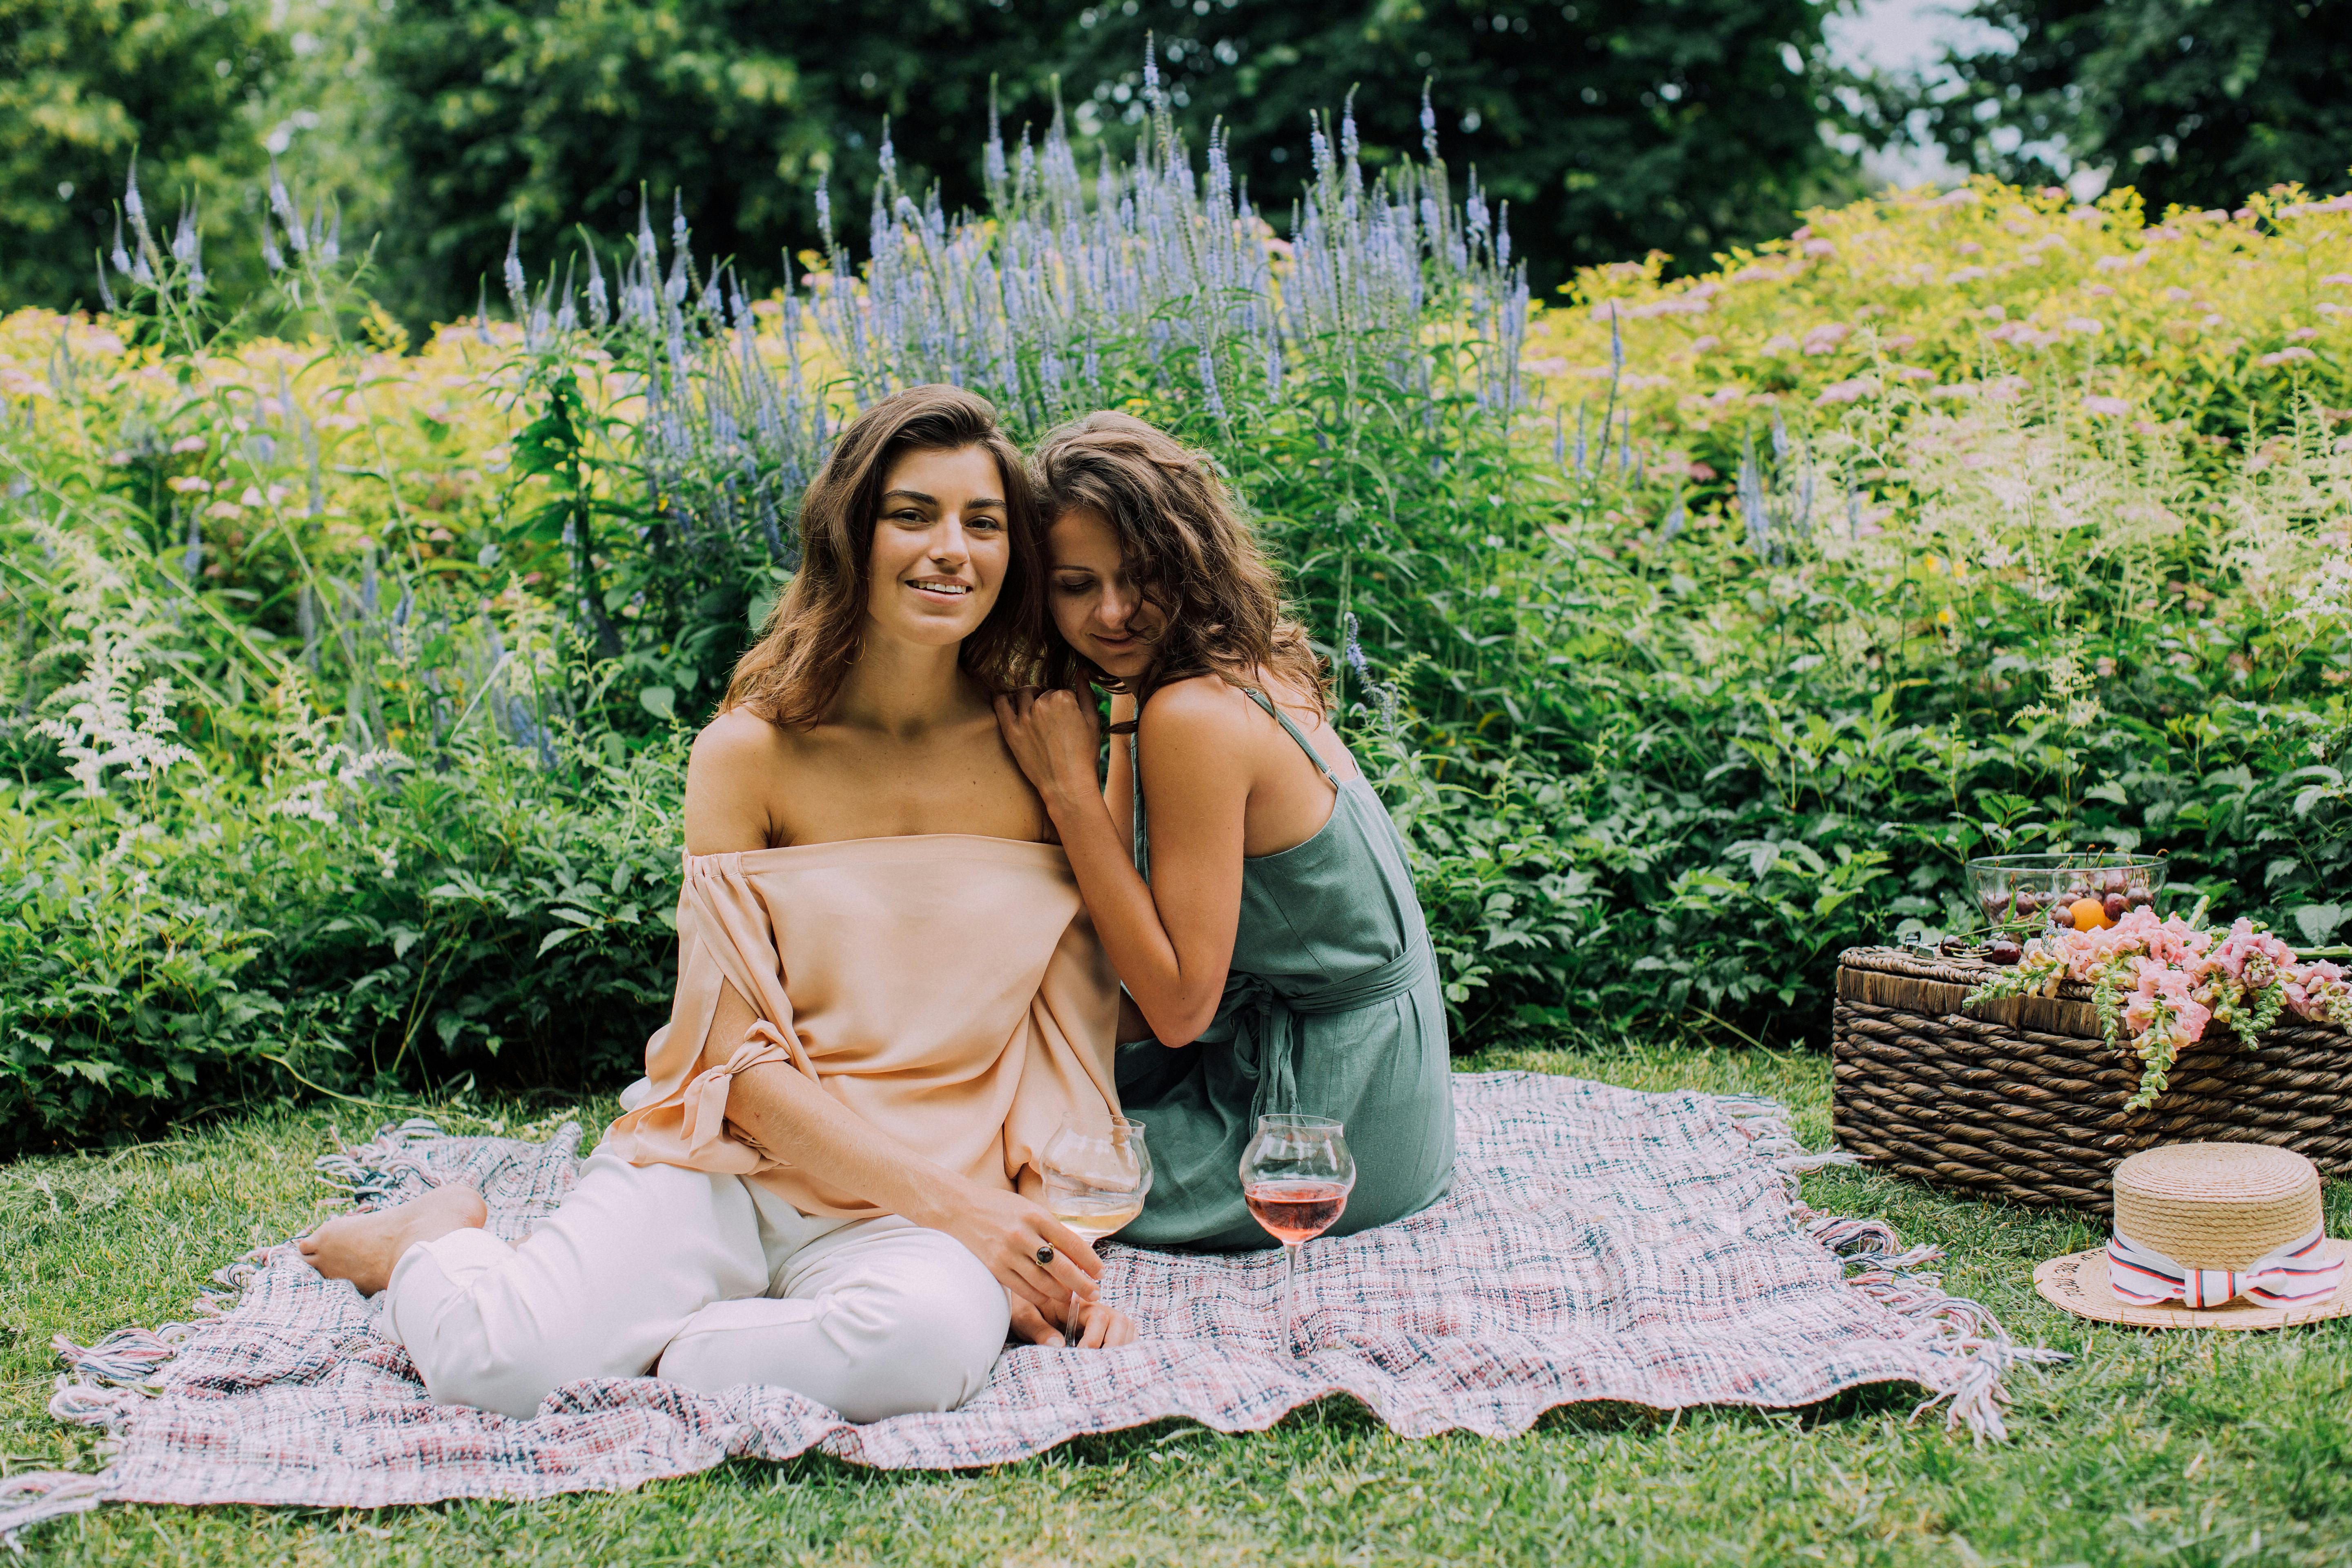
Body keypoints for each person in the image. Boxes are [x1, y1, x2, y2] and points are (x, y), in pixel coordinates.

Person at [302, 385, 1135, 1425]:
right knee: (497, 1371)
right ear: (850, 533)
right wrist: (960, 1209)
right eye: (911, 515)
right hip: (726, 1174)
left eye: (984, 522)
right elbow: (727, 1063)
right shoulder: (751, 753)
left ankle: (660, 1343)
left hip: (914, 1218)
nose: (951, 550)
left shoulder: (1043, 746)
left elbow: (1068, 1028)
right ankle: (432, 1245)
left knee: (922, 1352)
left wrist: (1045, 1236)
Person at [993, 412, 1457, 1252]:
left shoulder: (1194, 716)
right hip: (1390, 1074)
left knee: (1008, 1164)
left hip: (1325, 1124)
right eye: (1075, 584)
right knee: (1032, 1091)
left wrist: (1067, 792)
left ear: (1188, 558)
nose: (1112, 612)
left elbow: (1175, 1008)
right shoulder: (1229, 662)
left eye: (1140, 576)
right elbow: (1132, 908)